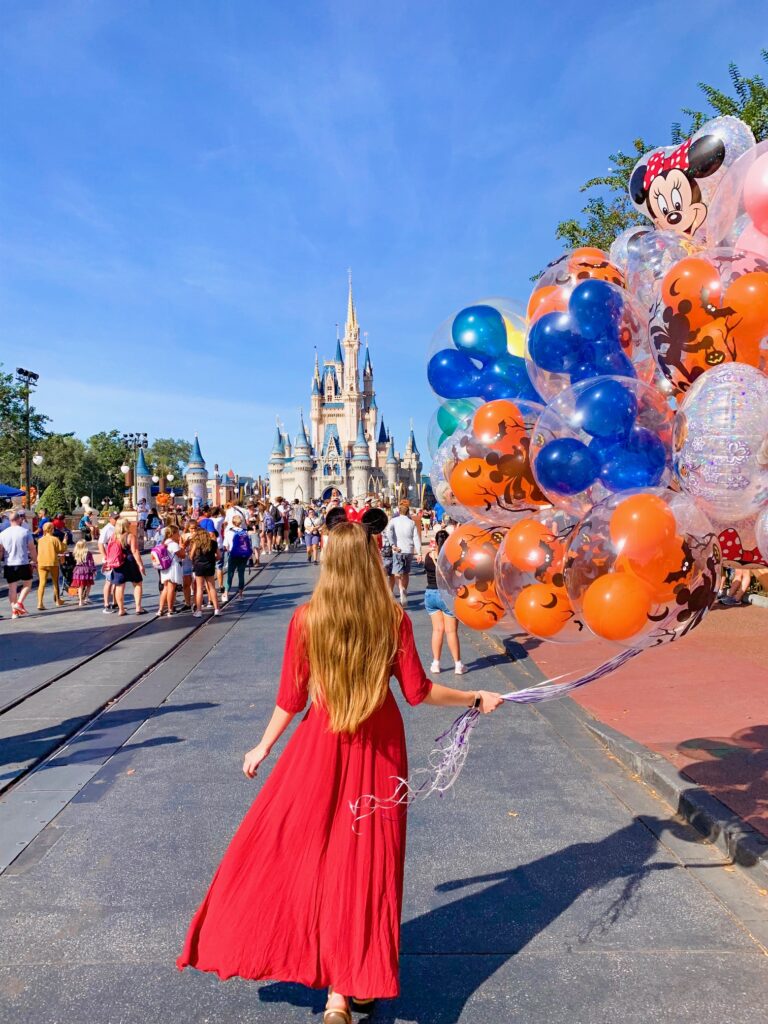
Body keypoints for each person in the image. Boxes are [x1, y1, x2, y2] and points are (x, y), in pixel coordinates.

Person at [176, 519, 503, 1015]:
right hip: (379, 753)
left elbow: (291, 697)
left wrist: (263, 747)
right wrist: (475, 696)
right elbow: (418, 693)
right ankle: (349, 982)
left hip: (320, 748)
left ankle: (340, 986)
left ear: (329, 562)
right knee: (368, 866)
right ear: (372, 561)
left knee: (306, 855)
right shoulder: (392, 618)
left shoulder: (307, 618)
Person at [423, 530, 467, 675]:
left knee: (437, 630)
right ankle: (458, 665)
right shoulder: (449, 559)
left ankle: (436, 663)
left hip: (430, 594)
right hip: (445, 595)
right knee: (451, 631)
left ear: (435, 542)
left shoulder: (428, 556)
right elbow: (459, 576)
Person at [0, 511, 37, 618]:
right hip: (22, 562)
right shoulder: (25, 532)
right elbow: (32, 548)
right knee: (27, 584)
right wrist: (35, 560)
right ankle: (19, 603)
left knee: (12, 588)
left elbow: (1, 551)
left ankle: (14, 612)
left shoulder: (2, 534)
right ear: (19, 519)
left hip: (9, 563)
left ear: (10, 520)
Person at [385, 501, 421, 607]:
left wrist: (392, 544)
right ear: (408, 511)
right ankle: (404, 590)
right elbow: (416, 538)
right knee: (406, 572)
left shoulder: (394, 521)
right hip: (409, 550)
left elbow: (388, 532)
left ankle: (401, 589)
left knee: (397, 572)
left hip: (398, 549)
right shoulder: (412, 522)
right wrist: (419, 553)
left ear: (398, 510)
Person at [189, 526, 220, 617]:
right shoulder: (213, 543)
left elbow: (191, 556)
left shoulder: (196, 543)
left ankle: (199, 611)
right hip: (209, 566)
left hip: (199, 566)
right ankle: (217, 609)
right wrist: (211, 559)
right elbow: (219, 556)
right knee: (212, 588)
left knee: (199, 588)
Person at [36, 522, 66, 610]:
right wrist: (64, 541)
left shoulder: (40, 540)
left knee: (42, 583)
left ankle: (40, 603)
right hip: (52, 562)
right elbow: (61, 549)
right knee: (55, 582)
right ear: (51, 529)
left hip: (41, 563)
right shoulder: (54, 539)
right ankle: (57, 600)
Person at [223, 513, 251, 602]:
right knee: (241, 574)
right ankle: (240, 595)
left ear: (232, 522)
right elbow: (248, 545)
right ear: (241, 522)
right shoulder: (245, 532)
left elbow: (226, 546)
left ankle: (226, 593)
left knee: (230, 574)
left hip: (233, 555)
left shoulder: (229, 532)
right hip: (243, 556)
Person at [157, 525, 184, 617]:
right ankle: (170, 609)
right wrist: (182, 546)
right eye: (177, 533)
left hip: (165, 568)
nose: (179, 535)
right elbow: (182, 555)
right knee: (171, 588)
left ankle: (161, 609)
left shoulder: (164, 542)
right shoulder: (173, 544)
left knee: (165, 588)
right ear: (173, 534)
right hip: (173, 567)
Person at [99, 512, 119, 615]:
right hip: (110, 558)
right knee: (109, 581)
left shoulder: (116, 527)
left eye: (118, 518)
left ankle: (115, 602)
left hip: (115, 558)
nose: (116, 520)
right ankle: (106, 604)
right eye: (115, 518)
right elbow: (100, 543)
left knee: (115, 581)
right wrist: (105, 557)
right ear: (110, 519)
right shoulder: (107, 528)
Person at [71, 539, 96, 607]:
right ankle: (86, 598)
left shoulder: (76, 553)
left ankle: (80, 601)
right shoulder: (88, 553)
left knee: (80, 586)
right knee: (88, 584)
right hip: (86, 570)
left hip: (78, 570)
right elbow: (91, 563)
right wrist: (93, 570)